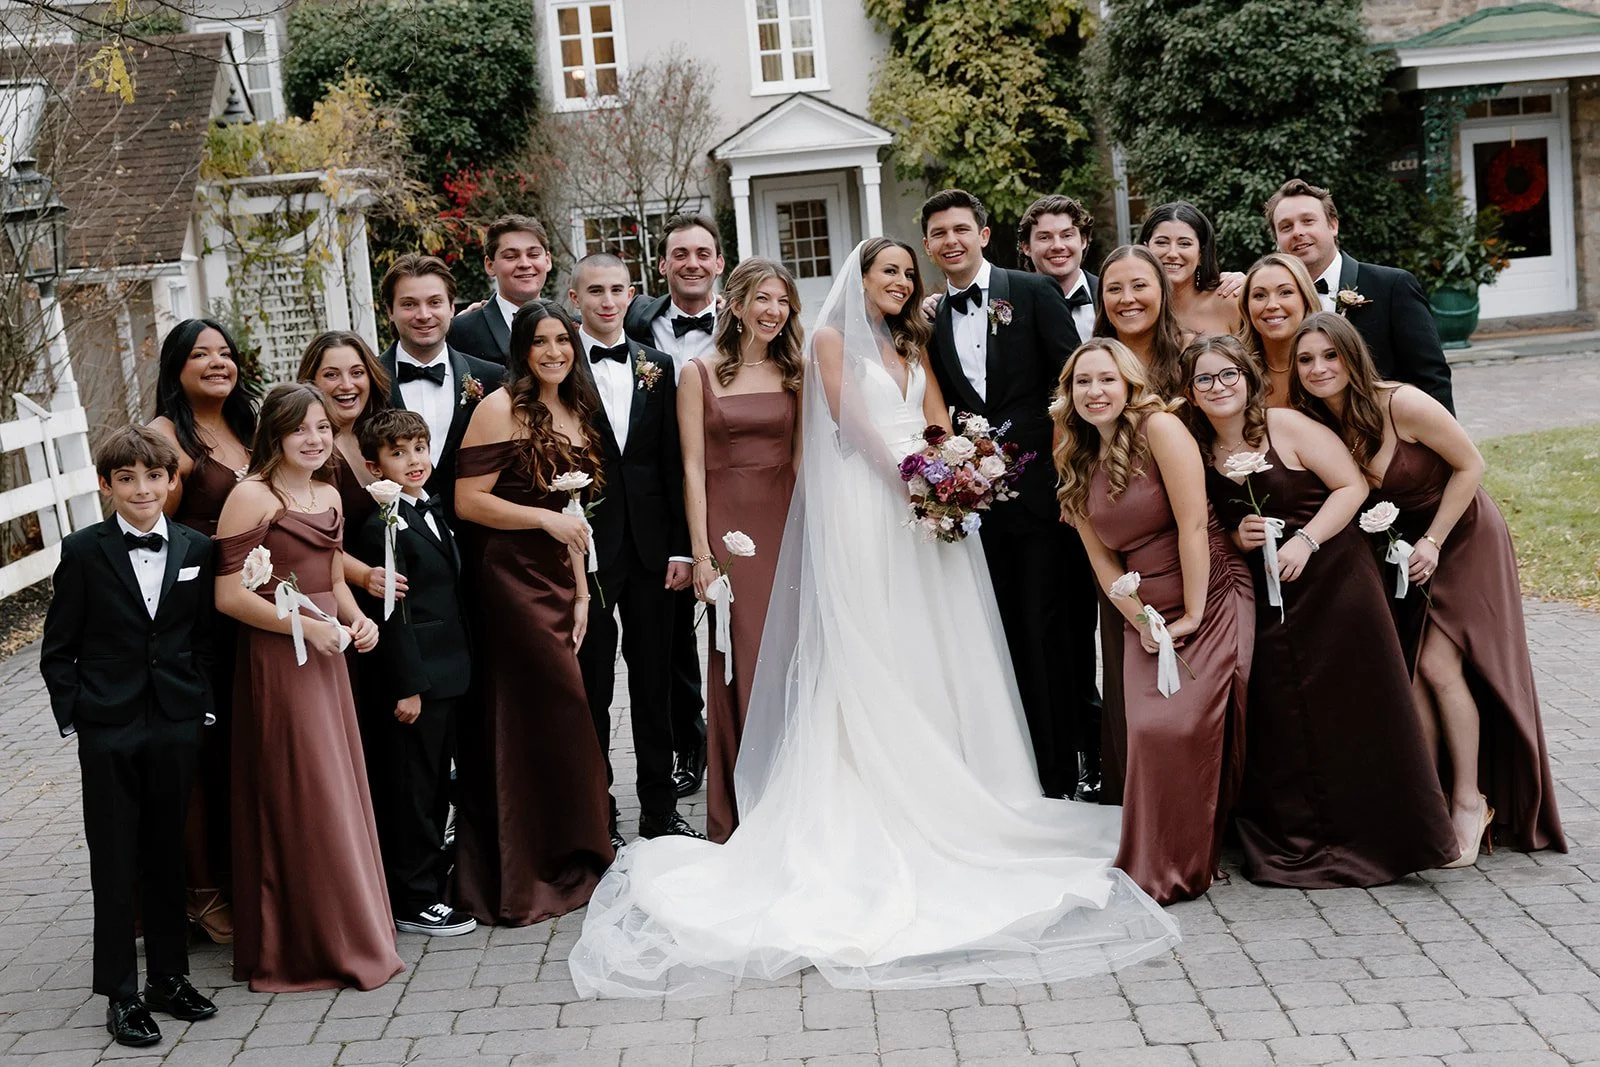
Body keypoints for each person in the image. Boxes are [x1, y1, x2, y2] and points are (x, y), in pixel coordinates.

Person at [569, 242, 1178, 998]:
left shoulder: (913, 342)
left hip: (927, 507)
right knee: (874, 649)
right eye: (884, 271)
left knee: (940, 649)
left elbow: (932, 420)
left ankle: (966, 787)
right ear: (859, 282)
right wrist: (925, 487)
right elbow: (854, 427)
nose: (897, 282)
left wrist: (961, 469)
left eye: (904, 273)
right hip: (874, 504)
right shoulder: (828, 343)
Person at [1180, 334, 1458, 886]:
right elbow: (1210, 524)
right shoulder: (1198, 448)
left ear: (1248, 376)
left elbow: (1351, 486)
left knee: (1357, 705)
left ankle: (1391, 838)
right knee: (1284, 713)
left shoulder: (1286, 426)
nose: (1219, 387)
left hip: (1335, 580)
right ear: (1190, 392)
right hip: (1271, 597)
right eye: (1204, 379)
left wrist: (1305, 541)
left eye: (1228, 374)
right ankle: (1305, 837)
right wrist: (1239, 536)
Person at [1292, 312, 1565, 864]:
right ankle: (1431, 800)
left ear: (1352, 355)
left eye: (1330, 355)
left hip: (1460, 535)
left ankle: (1471, 799)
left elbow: (1471, 465)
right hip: (1402, 550)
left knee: (1439, 666)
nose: (1319, 368)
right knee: (1411, 671)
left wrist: (1435, 541)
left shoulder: (1401, 403)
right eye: (1305, 359)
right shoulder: (1318, 422)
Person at [214, 383, 402, 991]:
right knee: (305, 787)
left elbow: (330, 574)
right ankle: (308, 939)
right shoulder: (251, 496)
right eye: (302, 429)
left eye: (323, 428)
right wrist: (301, 624)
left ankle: (353, 924)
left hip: (329, 653)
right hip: (280, 657)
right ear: (275, 433)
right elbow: (227, 595)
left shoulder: (326, 490)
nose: (316, 439)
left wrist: (356, 618)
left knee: (339, 783)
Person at [1053, 339, 1254, 904]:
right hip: (1143, 612)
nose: (1095, 392)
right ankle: (1160, 855)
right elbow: (1101, 560)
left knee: (1181, 725)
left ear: (1129, 385)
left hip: (1209, 590)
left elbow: (1194, 525)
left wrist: (1192, 612)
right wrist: (1142, 622)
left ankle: (1187, 860)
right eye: (1082, 382)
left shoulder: (1160, 428)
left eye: (1106, 380)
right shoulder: (1072, 456)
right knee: (1146, 731)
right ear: (1069, 394)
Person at [41, 426, 220, 1048]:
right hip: (109, 726)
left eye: (153, 477)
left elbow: (202, 639)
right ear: (106, 485)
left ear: (171, 481)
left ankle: (169, 978)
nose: (142, 489)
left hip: (174, 722)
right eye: (126, 479)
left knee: (167, 853)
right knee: (115, 860)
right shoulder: (84, 551)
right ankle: (120, 992)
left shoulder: (197, 545)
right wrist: (79, 715)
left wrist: (200, 709)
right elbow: (58, 647)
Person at [922, 188, 1100, 802]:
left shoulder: (1029, 293)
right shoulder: (931, 319)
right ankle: (1019, 772)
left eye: (961, 229)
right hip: (976, 509)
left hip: (1045, 498)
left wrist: (1066, 475)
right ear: (928, 245)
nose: (951, 241)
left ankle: (1065, 774)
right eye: (939, 233)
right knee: (999, 639)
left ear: (985, 234)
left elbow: (1071, 385)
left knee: (1049, 633)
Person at [452, 300, 615, 924]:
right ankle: (523, 870)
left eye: (562, 340)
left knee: (563, 717)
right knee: (535, 713)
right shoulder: (499, 409)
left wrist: (579, 593)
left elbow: (579, 517)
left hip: (558, 576)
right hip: (509, 577)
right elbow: (468, 502)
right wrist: (542, 517)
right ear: (521, 351)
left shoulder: (577, 408)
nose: (553, 351)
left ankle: (575, 852)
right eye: (540, 342)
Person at [571, 254, 702, 845]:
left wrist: (681, 547)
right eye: (594, 291)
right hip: (588, 553)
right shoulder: (557, 364)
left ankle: (659, 808)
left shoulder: (659, 364)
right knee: (593, 685)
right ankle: (598, 815)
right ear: (574, 299)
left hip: (654, 551)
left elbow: (675, 461)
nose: (606, 301)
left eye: (616, 290)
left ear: (632, 295)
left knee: (653, 684)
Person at [679, 256, 802, 842]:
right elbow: (692, 468)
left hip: (786, 523)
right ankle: (748, 799)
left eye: (782, 301)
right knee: (745, 653)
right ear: (734, 303)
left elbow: (804, 460)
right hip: (733, 533)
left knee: (796, 652)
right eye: (763, 299)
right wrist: (703, 556)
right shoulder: (698, 373)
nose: (774, 311)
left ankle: (796, 788)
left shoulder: (796, 371)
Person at [148, 318, 256, 947]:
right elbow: (152, 535)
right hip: (197, 619)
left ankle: (241, 878)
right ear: (177, 367)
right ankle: (201, 893)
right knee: (199, 757)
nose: (217, 363)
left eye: (225, 353)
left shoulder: (246, 427)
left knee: (241, 752)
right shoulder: (167, 436)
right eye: (200, 354)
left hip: (253, 610)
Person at [352, 409, 476, 937]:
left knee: (435, 784)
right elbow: (392, 615)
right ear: (372, 465)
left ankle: (430, 875)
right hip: (418, 682)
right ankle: (413, 896)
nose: (413, 461)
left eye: (419, 448)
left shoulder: (429, 508)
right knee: (414, 790)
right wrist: (408, 686)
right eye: (398, 453)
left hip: (451, 673)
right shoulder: (379, 525)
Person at [623, 214, 726, 801]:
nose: (690, 262)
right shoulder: (637, 323)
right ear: (661, 266)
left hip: (733, 482)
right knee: (673, 640)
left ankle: (744, 738)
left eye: (702, 253)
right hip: (663, 495)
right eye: (678, 253)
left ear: (718, 263)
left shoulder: (745, 318)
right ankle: (690, 746)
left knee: (736, 618)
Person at [1267, 177, 1454, 412]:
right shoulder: (1271, 304)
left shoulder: (1392, 286)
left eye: (1308, 221)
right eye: (1286, 227)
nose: (1298, 232)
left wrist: (1438, 445)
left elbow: (1432, 379)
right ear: (1276, 240)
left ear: (1333, 225)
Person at [376, 254, 505, 519]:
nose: (424, 315)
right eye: (409, 304)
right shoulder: (370, 381)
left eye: (434, 302)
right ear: (390, 310)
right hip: (394, 542)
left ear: (451, 308)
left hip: (476, 538)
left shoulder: (492, 379)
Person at [297, 330, 407, 603]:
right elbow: (311, 540)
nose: (347, 385)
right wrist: (364, 575)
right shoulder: (310, 451)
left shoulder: (382, 435)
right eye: (331, 375)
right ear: (311, 383)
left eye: (357, 373)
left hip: (398, 585)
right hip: (345, 595)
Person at [447, 214, 554, 364]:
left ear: (547, 261)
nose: (524, 264)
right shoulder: (460, 330)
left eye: (533, 255)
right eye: (511, 257)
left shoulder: (570, 326)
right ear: (490, 265)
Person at [1092, 244, 1189, 399]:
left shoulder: (1193, 354)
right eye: (1114, 289)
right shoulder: (1088, 364)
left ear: (1163, 291)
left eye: (1139, 286)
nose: (1127, 299)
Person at [1138, 201, 1243, 337]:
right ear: (1146, 249)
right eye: (1162, 243)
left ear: (1201, 253)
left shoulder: (1230, 301)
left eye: (1184, 244)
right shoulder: (1134, 308)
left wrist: (1253, 286)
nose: (1172, 254)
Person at [1016, 194, 1098, 346]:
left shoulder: (1108, 295)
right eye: (1044, 237)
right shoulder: (1014, 302)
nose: (1058, 246)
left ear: (1083, 240)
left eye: (1067, 235)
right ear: (1026, 247)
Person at [1240, 252, 1320, 407]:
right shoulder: (1236, 371)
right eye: (1259, 296)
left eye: (1285, 292)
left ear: (1306, 299)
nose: (1272, 305)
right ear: (1246, 307)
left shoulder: (1332, 363)